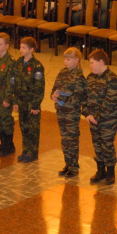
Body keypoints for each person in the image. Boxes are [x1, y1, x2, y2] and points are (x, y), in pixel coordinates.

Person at [83, 49, 117, 185]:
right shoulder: (90, 77)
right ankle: (100, 171)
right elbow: (85, 96)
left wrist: (97, 117)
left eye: (92, 63)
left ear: (101, 62)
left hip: (107, 120)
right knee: (97, 145)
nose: (90, 65)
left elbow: (110, 102)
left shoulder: (113, 79)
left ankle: (110, 172)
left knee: (107, 145)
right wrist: (87, 113)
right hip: (92, 119)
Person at [51, 47, 87, 177]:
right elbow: (54, 88)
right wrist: (53, 96)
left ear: (76, 60)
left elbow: (78, 97)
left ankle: (74, 166)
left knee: (72, 139)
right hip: (61, 111)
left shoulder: (79, 77)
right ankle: (67, 163)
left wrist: (61, 97)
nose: (66, 61)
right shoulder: (62, 73)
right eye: (65, 58)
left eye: (69, 59)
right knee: (64, 139)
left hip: (72, 113)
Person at [11, 37, 45, 163]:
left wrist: (35, 105)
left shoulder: (36, 66)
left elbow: (39, 87)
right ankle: (25, 150)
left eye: (24, 47)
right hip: (21, 102)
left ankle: (33, 152)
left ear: (31, 49)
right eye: (20, 47)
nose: (21, 50)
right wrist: (15, 101)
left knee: (33, 130)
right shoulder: (18, 63)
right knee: (24, 128)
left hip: (32, 104)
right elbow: (14, 83)